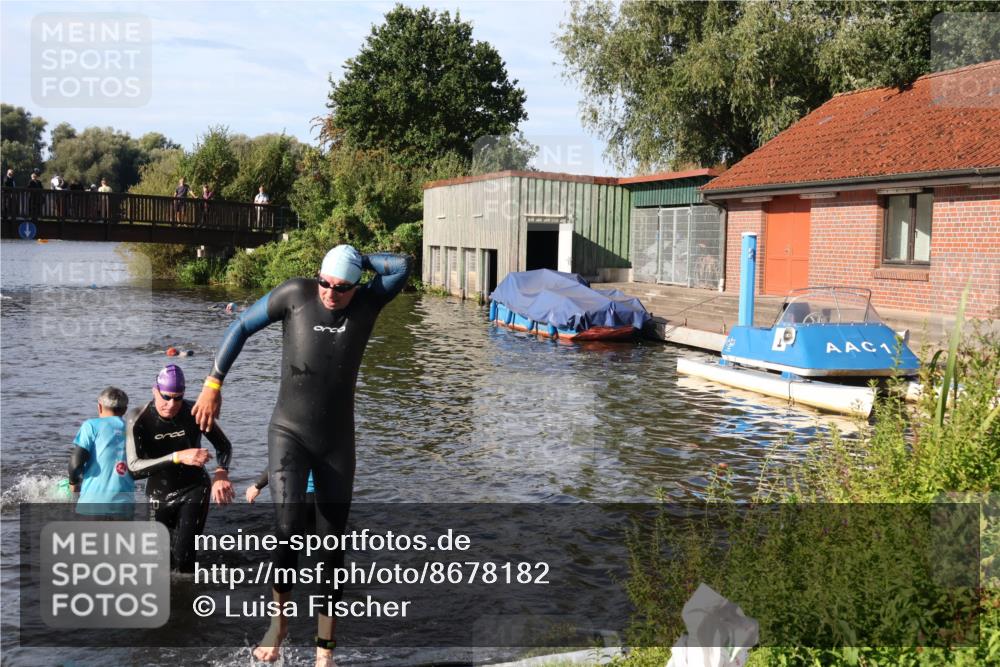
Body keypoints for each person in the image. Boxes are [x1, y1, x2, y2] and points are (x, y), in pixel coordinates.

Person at [192, 245, 412, 666]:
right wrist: (213, 383)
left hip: (336, 443)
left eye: (341, 287)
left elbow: (402, 266)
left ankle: (324, 651)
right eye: (325, 282)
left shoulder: (367, 303)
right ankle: (278, 625)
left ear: (356, 286)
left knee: (332, 547)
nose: (330, 293)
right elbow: (241, 325)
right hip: (288, 433)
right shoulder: (295, 294)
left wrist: (357, 258)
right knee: (288, 528)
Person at [126, 364, 235, 572]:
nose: (172, 404)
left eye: (178, 398)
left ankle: (190, 591)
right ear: (155, 391)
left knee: (184, 561)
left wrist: (221, 472)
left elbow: (224, 447)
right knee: (158, 562)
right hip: (158, 494)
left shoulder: (194, 411)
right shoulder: (138, 418)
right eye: (166, 397)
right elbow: (133, 469)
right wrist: (177, 457)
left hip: (194, 489)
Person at [68, 387, 134, 517]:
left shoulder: (91, 426)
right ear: (125, 410)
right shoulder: (133, 429)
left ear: (99, 407)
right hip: (125, 508)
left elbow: (75, 464)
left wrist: (73, 483)